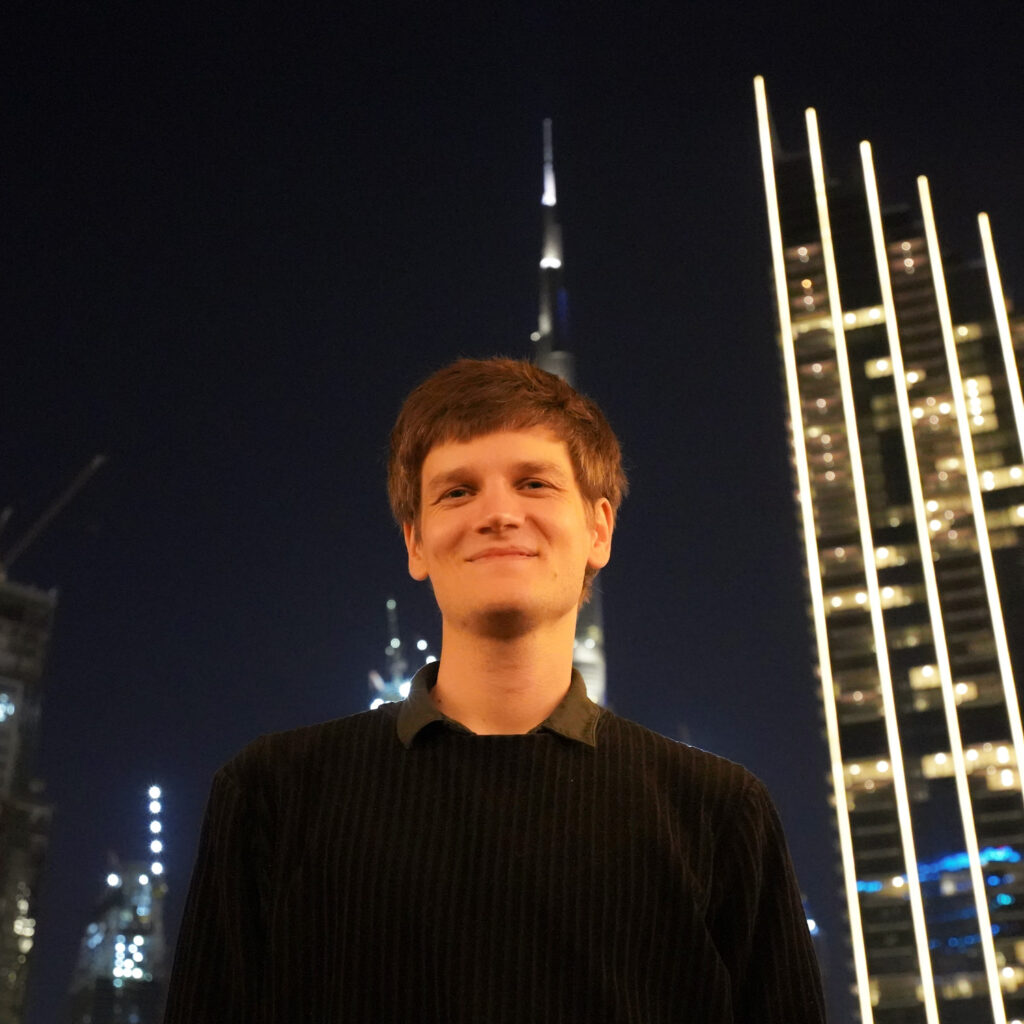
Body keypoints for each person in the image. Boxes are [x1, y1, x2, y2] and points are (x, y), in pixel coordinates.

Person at [164, 357, 826, 1023]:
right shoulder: (272, 795)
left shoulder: (718, 813)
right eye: (457, 491)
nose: (499, 513)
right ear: (415, 542)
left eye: (534, 483)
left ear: (599, 529)